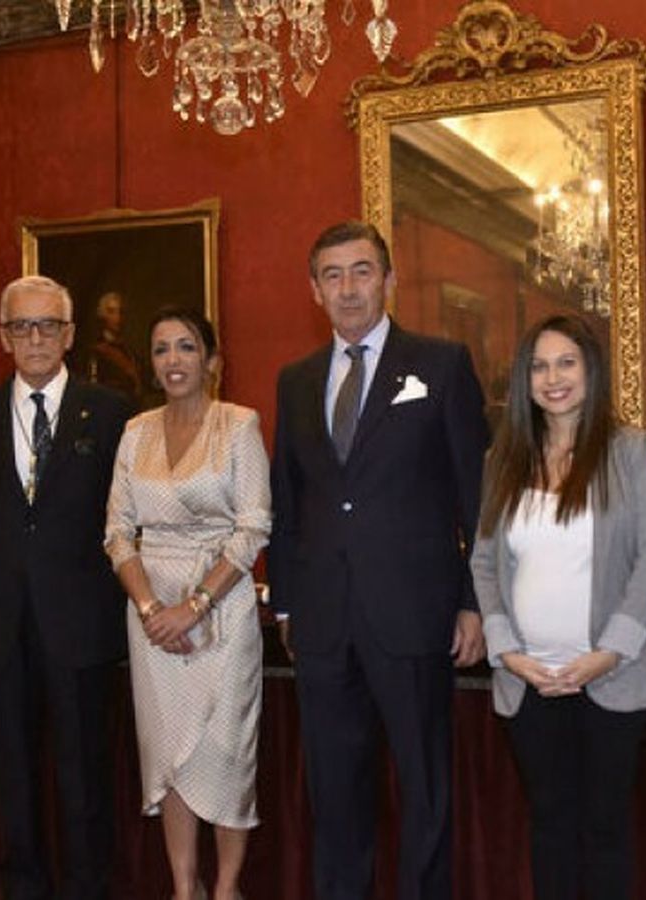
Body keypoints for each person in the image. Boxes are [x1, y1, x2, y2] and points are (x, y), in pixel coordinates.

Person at [269, 220, 489, 900]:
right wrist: (283, 601)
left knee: (424, 788)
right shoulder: (296, 380)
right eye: (332, 275)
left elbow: (474, 494)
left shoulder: (441, 366)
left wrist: (474, 601)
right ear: (314, 290)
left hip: (414, 615)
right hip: (324, 620)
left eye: (361, 271)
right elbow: (289, 497)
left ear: (389, 281)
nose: (348, 288)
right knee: (334, 791)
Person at [470, 315, 646, 899]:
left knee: (605, 830)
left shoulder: (631, 450)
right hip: (528, 682)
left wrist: (608, 653)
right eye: (538, 365)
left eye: (566, 363)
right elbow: (484, 562)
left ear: (591, 371)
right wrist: (508, 653)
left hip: (613, 679)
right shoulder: (501, 459)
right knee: (550, 826)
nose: (552, 378)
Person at [0, 274, 133, 900]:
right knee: (12, 769)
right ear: (2, 336)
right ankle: (24, 884)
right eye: (20, 327)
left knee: (84, 773)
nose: (34, 338)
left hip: (80, 622)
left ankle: (87, 886)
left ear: (69, 334)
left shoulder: (112, 411)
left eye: (47, 325)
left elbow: (130, 517)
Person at [104, 308, 270, 900]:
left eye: (186, 348)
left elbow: (252, 530)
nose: (173, 360)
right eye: (161, 349)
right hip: (150, 621)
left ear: (212, 361)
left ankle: (225, 888)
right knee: (169, 756)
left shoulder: (240, 425)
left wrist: (193, 605)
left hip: (220, 613)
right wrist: (152, 610)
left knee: (225, 751)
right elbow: (118, 533)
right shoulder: (135, 431)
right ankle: (183, 887)